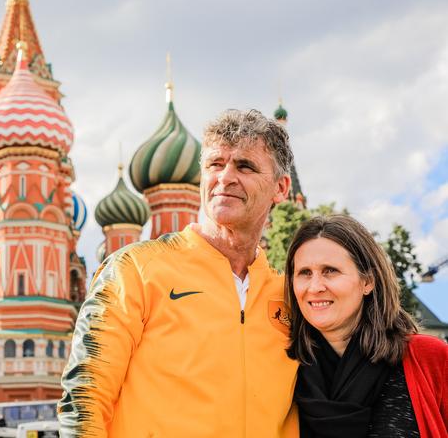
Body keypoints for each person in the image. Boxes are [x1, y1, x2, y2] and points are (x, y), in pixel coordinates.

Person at [59, 109, 299, 437]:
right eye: (215, 164)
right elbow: (85, 398)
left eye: (245, 166)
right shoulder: (135, 271)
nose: (225, 177)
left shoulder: (292, 297)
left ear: (280, 188)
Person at [284, 214, 448, 438]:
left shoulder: (430, 358)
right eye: (304, 273)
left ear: (368, 281)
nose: (315, 287)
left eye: (330, 271)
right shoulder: (283, 369)